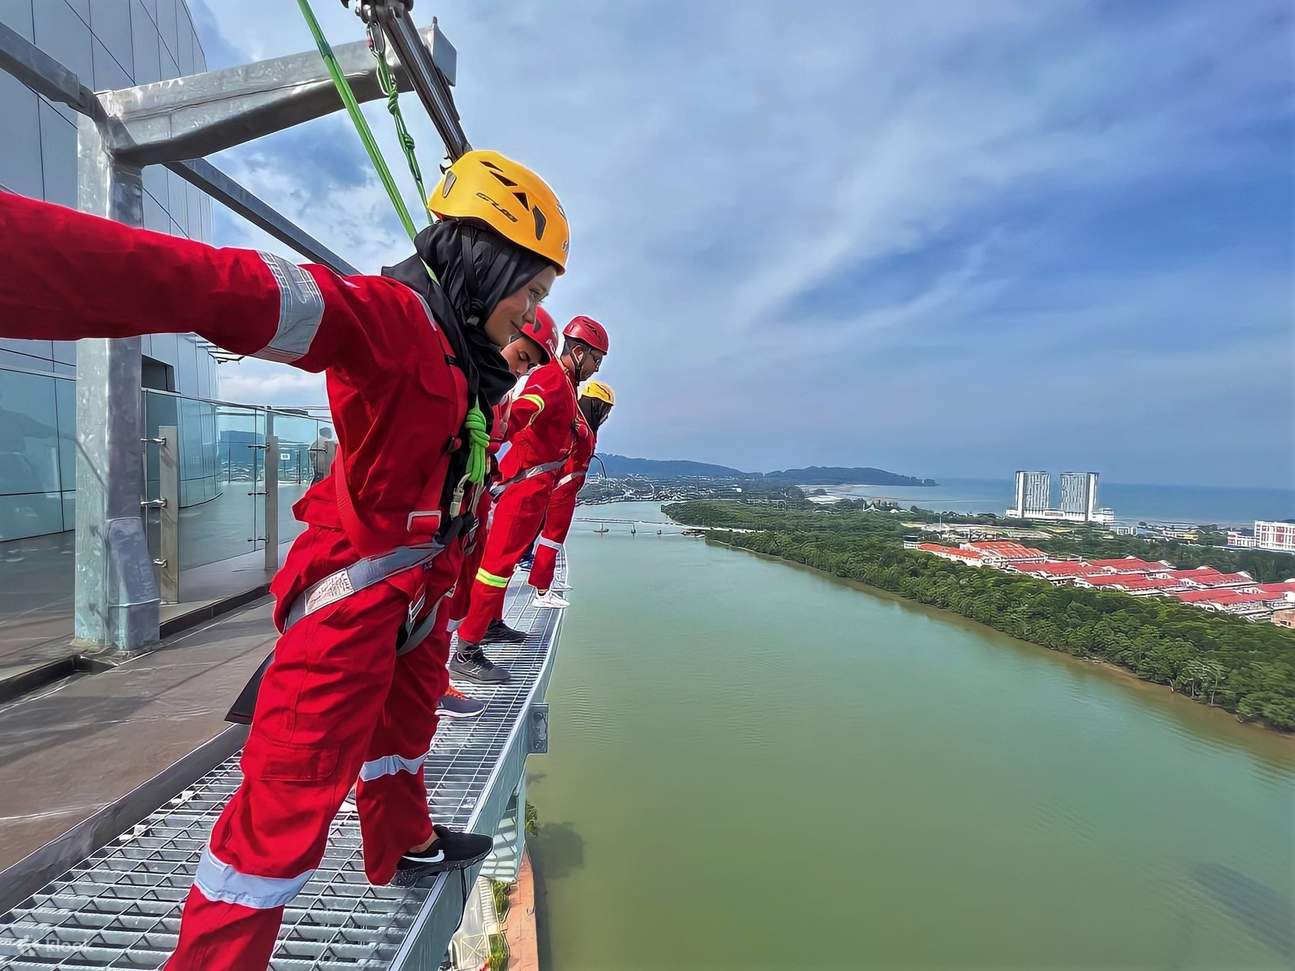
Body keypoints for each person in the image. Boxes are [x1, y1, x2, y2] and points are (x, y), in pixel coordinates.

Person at [0, 147, 569, 971]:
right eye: (529, 290)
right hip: (355, 598)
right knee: (283, 809)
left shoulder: (467, 363)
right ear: (486, 264)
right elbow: (213, 284)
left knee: (403, 730)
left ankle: (398, 838)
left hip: (415, 591)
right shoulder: (390, 318)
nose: (529, 314)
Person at [449, 315, 609, 683]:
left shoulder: (566, 384)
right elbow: (525, 410)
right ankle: (467, 647)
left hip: (535, 490)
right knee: (496, 566)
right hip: (525, 488)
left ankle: (489, 623)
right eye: (596, 360)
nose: (596, 369)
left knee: (500, 567)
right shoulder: (552, 378)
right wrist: (488, 439)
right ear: (580, 351)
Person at [435, 314, 557, 720]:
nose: (520, 370)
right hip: (446, 502)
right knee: (445, 586)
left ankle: (440, 671)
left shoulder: (494, 390)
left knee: (460, 581)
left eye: (527, 364)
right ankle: (445, 668)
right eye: (520, 355)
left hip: (471, 496)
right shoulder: (468, 381)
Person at [530, 380, 615, 606]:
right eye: (604, 409)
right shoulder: (577, 423)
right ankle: (542, 591)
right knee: (550, 539)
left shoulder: (584, 424)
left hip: (564, 489)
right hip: (560, 489)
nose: (606, 416)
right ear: (596, 405)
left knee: (549, 539)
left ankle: (545, 582)